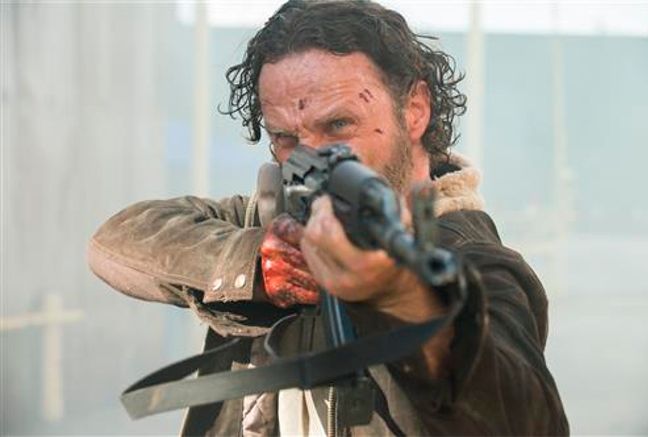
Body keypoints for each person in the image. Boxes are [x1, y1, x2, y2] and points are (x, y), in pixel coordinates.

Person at [88, 1, 569, 435]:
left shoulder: (473, 262)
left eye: (338, 125)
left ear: (415, 109)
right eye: (286, 138)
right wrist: (256, 264)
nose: (310, 159)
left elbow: (523, 422)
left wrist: (401, 298)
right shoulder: (271, 222)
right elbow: (115, 242)